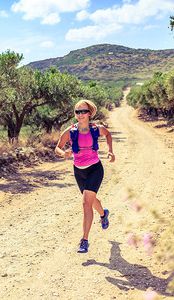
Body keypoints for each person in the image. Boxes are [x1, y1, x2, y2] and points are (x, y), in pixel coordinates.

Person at [55, 99, 115, 253]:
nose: (80, 114)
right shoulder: (70, 131)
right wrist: (63, 153)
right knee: (91, 200)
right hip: (79, 170)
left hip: (95, 169)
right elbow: (58, 147)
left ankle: (84, 240)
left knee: (85, 204)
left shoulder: (97, 128)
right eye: (77, 112)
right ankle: (103, 214)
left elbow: (108, 135)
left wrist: (110, 150)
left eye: (83, 111)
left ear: (89, 113)